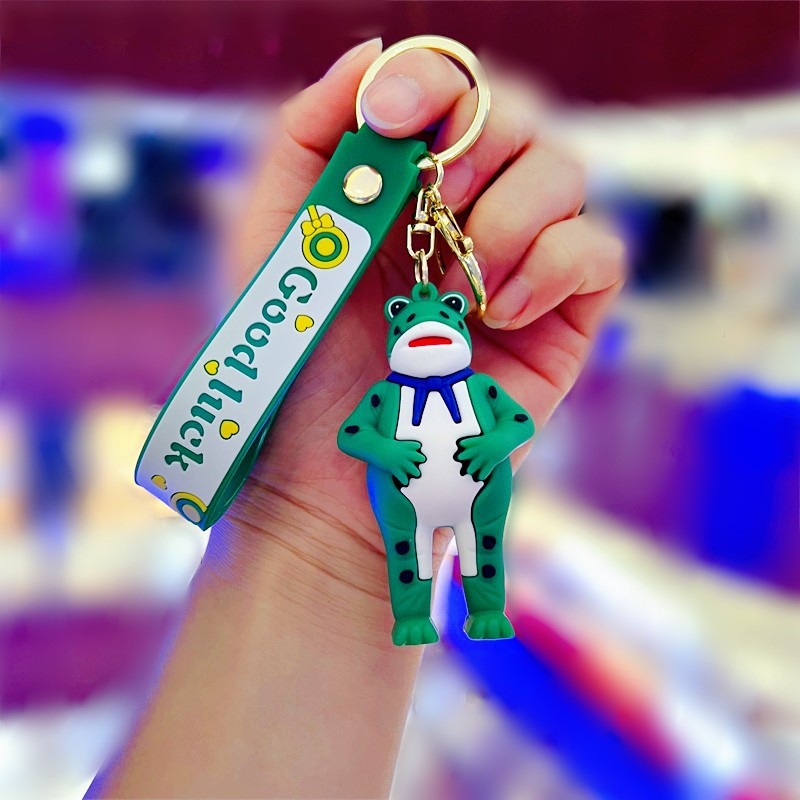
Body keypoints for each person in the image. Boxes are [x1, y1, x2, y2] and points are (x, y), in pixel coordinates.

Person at [90, 38, 624, 799]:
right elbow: (356, 435)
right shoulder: (383, 394)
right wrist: (310, 525)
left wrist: (326, 542)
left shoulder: (445, 377)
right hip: (398, 491)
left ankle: (478, 602)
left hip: (451, 490)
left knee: (477, 549)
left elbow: (489, 425)